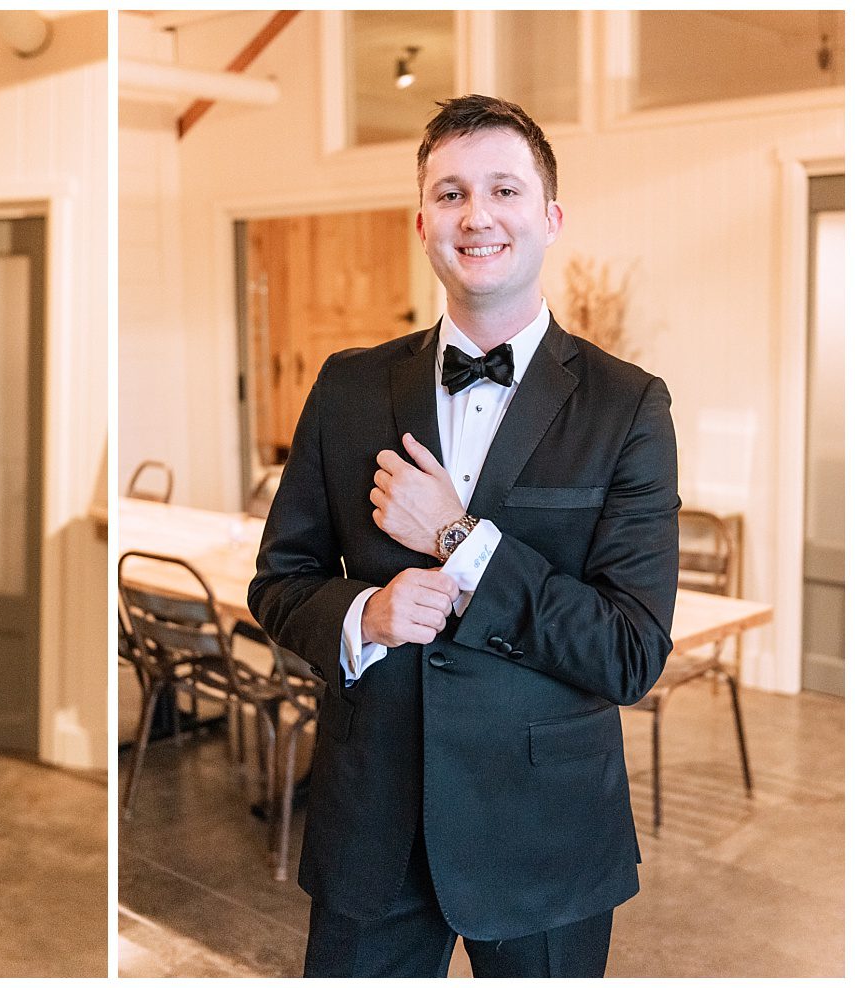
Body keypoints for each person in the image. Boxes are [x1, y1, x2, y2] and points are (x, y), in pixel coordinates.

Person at [248, 94, 679, 978]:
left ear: (550, 217)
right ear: (421, 222)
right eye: (450, 194)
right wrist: (362, 615)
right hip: (372, 827)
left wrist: (459, 537)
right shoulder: (346, 387)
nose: (476, 215)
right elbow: (279, 581)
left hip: (545, 837)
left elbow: (631, 652)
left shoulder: (629, 405)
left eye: (503, 190)